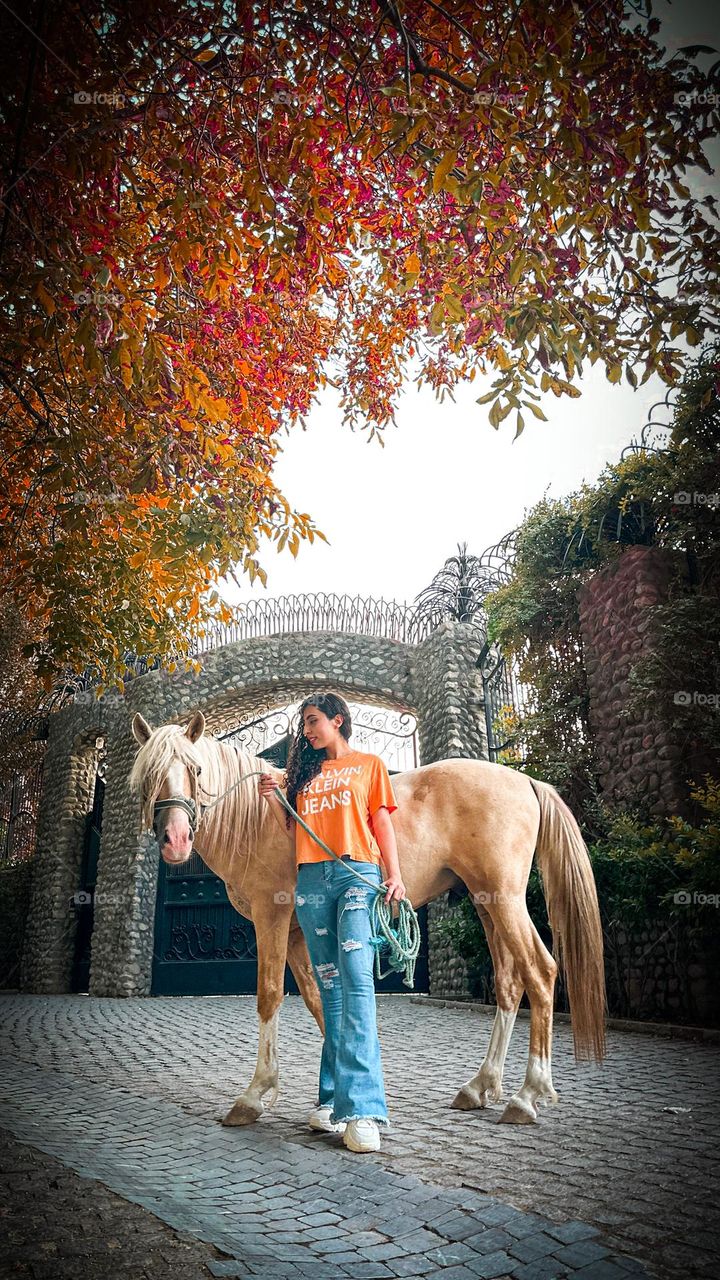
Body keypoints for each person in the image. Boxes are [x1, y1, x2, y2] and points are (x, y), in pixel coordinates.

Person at [258, 691, 406, 1153]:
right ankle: (331, 1100)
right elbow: (294, 829)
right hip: (312, 882)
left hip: (357, 876)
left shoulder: (369, 765)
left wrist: (394, 875)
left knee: (357, 982)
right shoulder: (303, 775)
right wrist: (276, 798)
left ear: (338, 720)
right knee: (331, 990)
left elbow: (381, 824)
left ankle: (362, 1109)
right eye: (304, 723)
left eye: (314, 720)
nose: (307, 729)